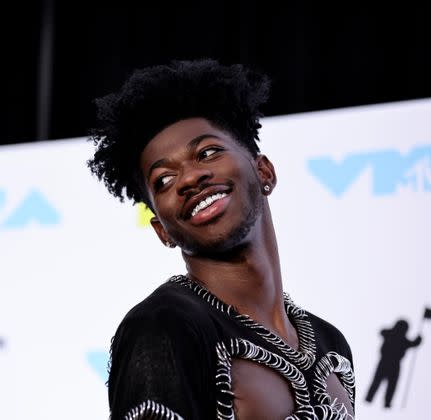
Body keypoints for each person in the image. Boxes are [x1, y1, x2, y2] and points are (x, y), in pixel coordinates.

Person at [88, 59, 355, 420]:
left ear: (264, 171)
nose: (188, 179)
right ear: (162, 231)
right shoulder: (162, 326)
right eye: (163, 180)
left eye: (207, 153)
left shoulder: (330, 345)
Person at [365, 319, 422, 408]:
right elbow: (413, 343)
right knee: (382, 383)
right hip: (387, 362)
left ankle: (378, 401)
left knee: (388, 385)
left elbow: (413, 344)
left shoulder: (395, 336)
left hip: (391, 364)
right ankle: (373, 400)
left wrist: (418, 340)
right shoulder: (397, 337)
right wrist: (417, 340)